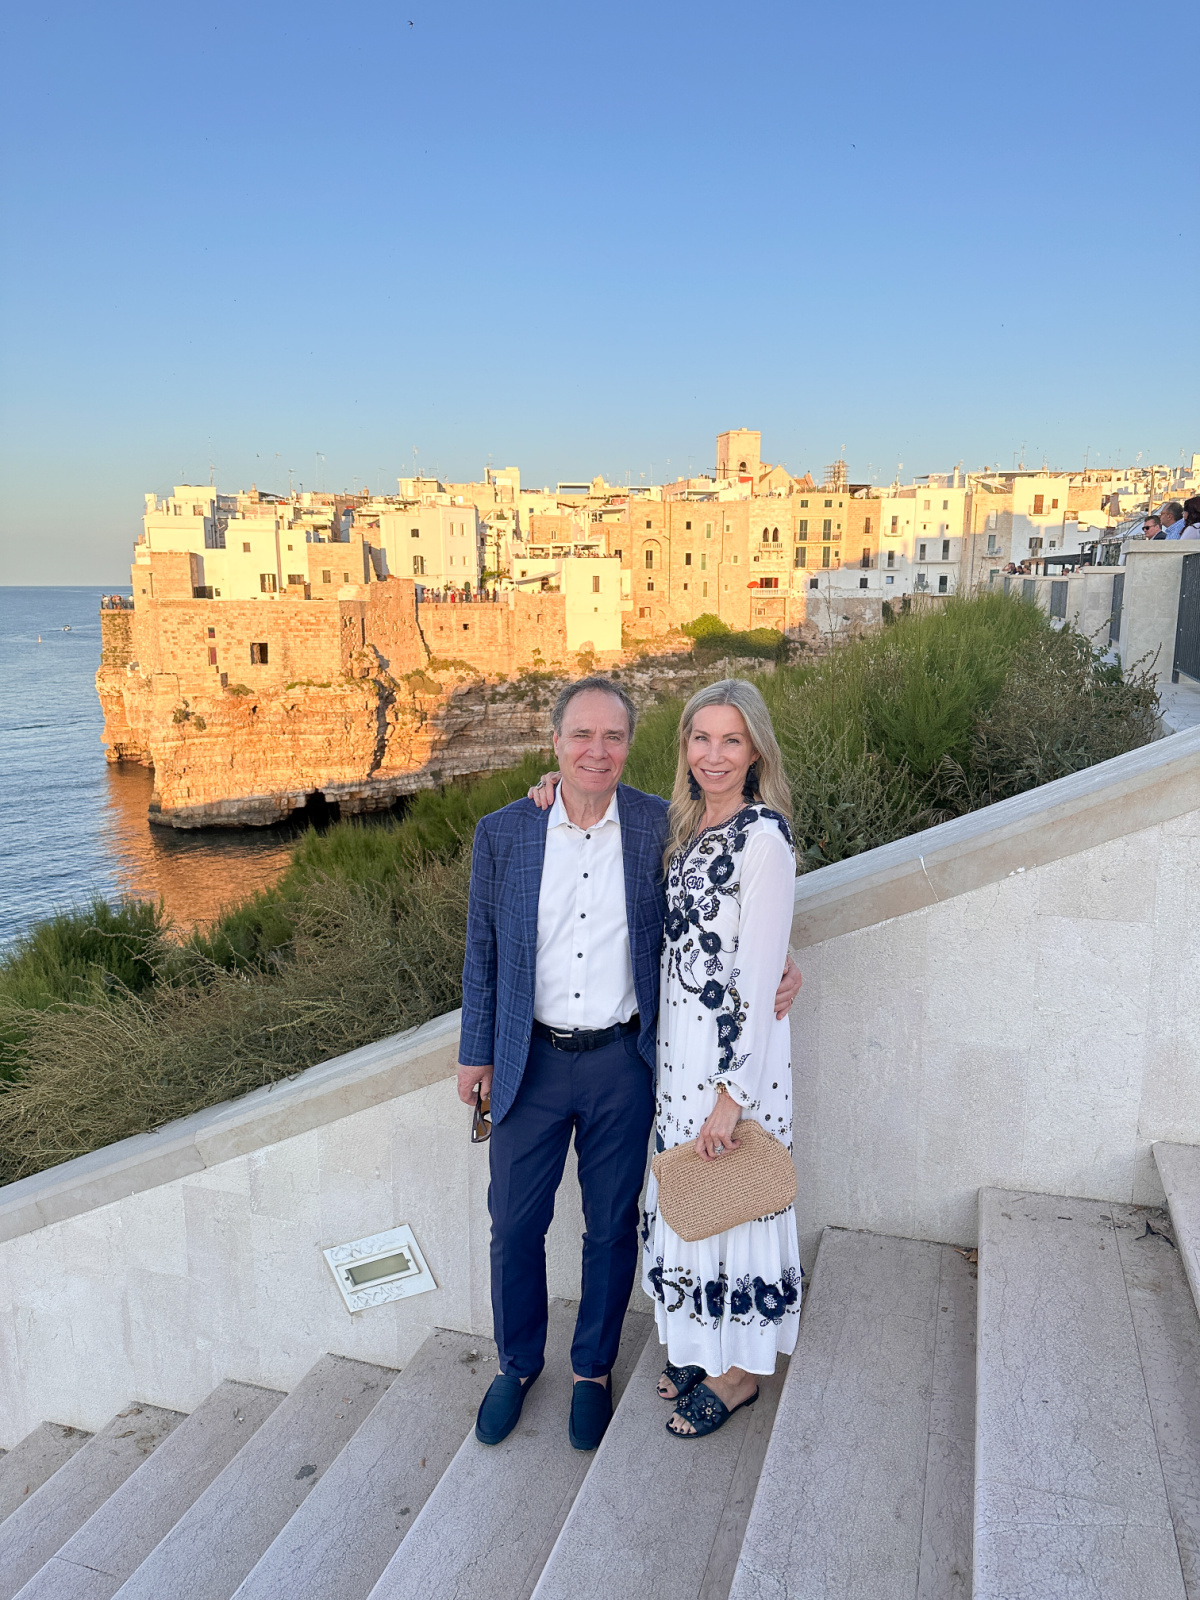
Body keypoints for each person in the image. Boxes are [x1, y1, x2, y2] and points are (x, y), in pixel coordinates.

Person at [457, 677, 801, 1453]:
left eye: (613, 737)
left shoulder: (657, 825)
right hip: (529, 1064)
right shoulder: (506, 832)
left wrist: (787, 961)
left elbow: (736, 908)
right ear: (555, 742)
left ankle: (590, 1370)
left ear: (633, 746)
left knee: (611, 1229)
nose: (596, 750)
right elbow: (481, 953)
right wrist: (475, 1052)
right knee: (514, 1226)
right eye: (581, 735)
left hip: (624, 1063)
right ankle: (516, 1365)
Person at [642, 679, 801, 1438]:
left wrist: (731, 1098)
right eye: (700, 739)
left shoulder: (762, 837)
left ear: (755, 750)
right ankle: (705, 1344)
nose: (713, 755)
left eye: (730, 740)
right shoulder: (690, 824)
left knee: (735, 1202)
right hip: (681, 1060)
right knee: (696, 1204)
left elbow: (760, 967)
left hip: (732, 1068)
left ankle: (739, 1375)